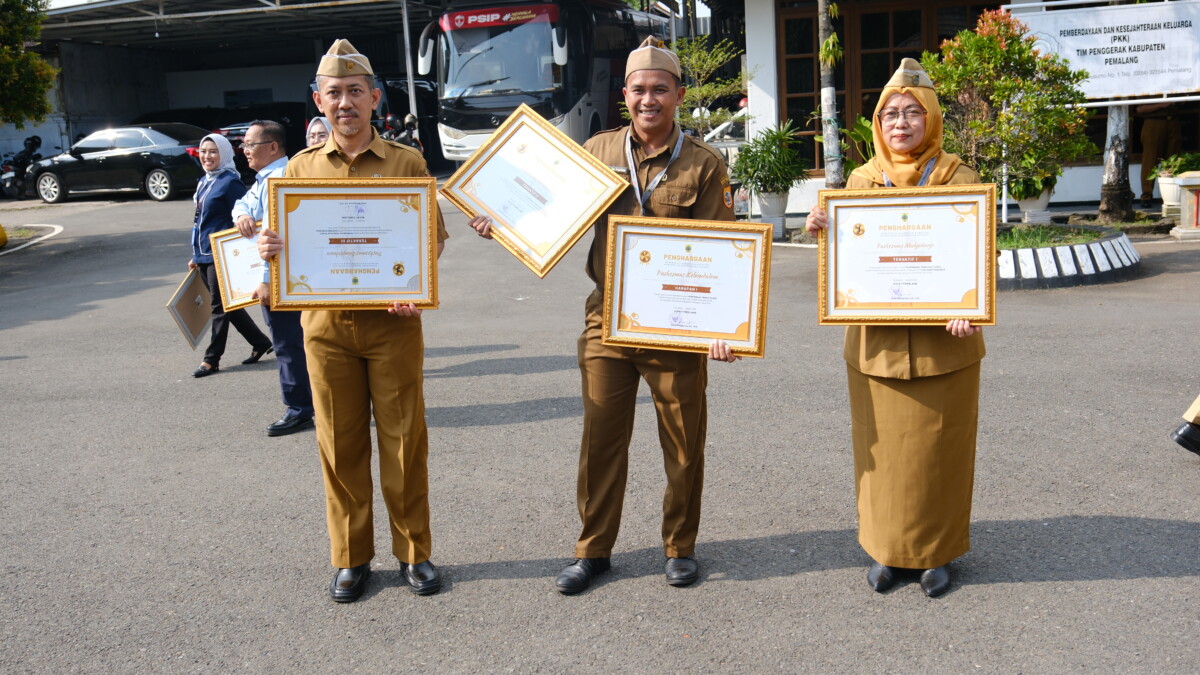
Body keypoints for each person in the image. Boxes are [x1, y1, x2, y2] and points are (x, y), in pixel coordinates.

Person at [468, 36, 738, 594]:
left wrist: (721, 326)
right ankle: (593, 551)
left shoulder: (704, 164)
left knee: (684, 441)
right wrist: (506, 223)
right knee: (601, 439)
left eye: (660, 89)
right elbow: (548, 209)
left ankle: (680, 547)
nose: (648, 99)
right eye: (639, 89)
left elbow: (724, 249)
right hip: (607, 319)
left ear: (679, 95)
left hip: (677, 324)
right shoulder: (597, 152)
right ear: (625, 95)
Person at [259, 39, 449, 603]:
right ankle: (351, 557)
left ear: (374, 99)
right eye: (334, 93)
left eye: (355, 93)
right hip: (326, 329)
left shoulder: (406, 162)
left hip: (394, 325)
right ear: (319, 101)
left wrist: (415, 284)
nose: (345, 103)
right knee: (339, 445)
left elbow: (430, 238)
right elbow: (286, 248)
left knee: (403, 442)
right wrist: (271, 247)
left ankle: (414, 552)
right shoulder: (298, 169)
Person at [805, 58, 984, 598]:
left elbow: (977, 259)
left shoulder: (961, 178)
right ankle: (886, 552)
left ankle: (937, 555)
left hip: (945, 345)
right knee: (880, 454)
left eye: (911, 112)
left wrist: (971, 305)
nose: (899, 123)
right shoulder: (861, 181)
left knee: (940, 451)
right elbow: (847, 265)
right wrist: (821, 230)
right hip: (875, 345)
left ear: (930, 118)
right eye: (888, 115)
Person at [231, 120, 314, 437]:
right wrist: (241, 215)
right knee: (296, 342)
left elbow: (276, 235)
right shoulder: (264, 179)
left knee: (288, 344)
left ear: (273, 147)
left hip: (283, 278)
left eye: (250, 144)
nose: (245, 150)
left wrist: (267, 280)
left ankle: (300, 409)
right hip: (287, 276)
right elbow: (243, 204)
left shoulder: (281, 178)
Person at [188, 133, 273, 378]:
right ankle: (260, 342)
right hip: (203, 253)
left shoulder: (229, 182)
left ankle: (211, 359)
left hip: (221, 256)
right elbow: (199, 221)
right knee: (228, 305)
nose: (207, 156)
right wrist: (194, 253)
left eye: (213, 151)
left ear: (224, 154)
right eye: (203, 151)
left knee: (219, 308)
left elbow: (244, 221)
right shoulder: (205, 181)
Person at [1136, 102, 1181, 207]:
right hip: (1153, 122)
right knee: (1150, 161)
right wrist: (1162, 105)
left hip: (1173, 121)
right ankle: (1146, 196)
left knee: (1173, 161)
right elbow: (1140, 109)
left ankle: (1171, 196)